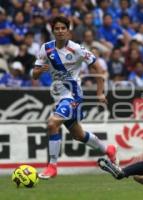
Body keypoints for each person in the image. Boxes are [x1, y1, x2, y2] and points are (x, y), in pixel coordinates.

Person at [32, 16, 117, 179]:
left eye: (63, 28)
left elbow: (97, 67)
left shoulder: (77, 49)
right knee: (79, 135)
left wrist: (100, 92)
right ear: (53, 31)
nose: (60, 31)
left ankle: (52, 166)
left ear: (68, 30)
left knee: (52, 124)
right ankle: (108, 150)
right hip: (57, 96)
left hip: (73, 95)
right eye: (57, 28)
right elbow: (34, 75)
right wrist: (39, 70)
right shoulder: (46, 49)